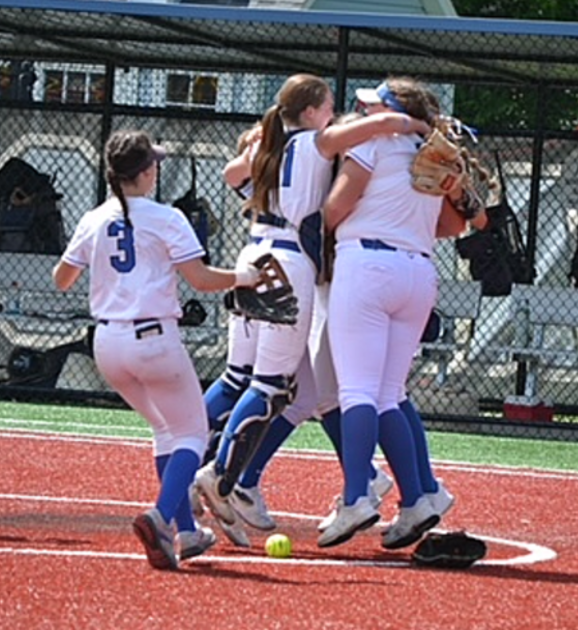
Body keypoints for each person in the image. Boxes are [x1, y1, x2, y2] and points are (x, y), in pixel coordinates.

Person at [194, 74, 430, 534]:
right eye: (326, 107)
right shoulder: (314, 141)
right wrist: (410, 124)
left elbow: (230, 175)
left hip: (255, 255)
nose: (335, 113)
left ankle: (197, 458)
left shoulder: (274, 144)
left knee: (265, 381)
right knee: (269, 386)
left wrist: (258, 148)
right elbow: (354, 134)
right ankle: (223, 475)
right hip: (289, 262)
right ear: (309, 112)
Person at [52, 129, 261, 570]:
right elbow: (201, 280)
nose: (157, 170)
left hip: (107, 342)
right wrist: (246, 277)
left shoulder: (94, 217)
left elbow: (62, 279)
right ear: (144, 172)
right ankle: (161, 516)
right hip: (153, 338)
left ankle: (187, 532)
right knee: (191, 432)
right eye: (154, 164)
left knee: (167, 431)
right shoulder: (167, 217)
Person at [318, 76, 478, 551]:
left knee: (358, 391)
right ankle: (419, 498)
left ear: (391, 111)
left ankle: (356, 498)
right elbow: (453, 224)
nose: (366, 113)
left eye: (374, 106)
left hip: (368, 264)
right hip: (418, 270)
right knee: (390, 393)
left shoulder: (376, 142)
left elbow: (334, 210)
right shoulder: (433, 150)